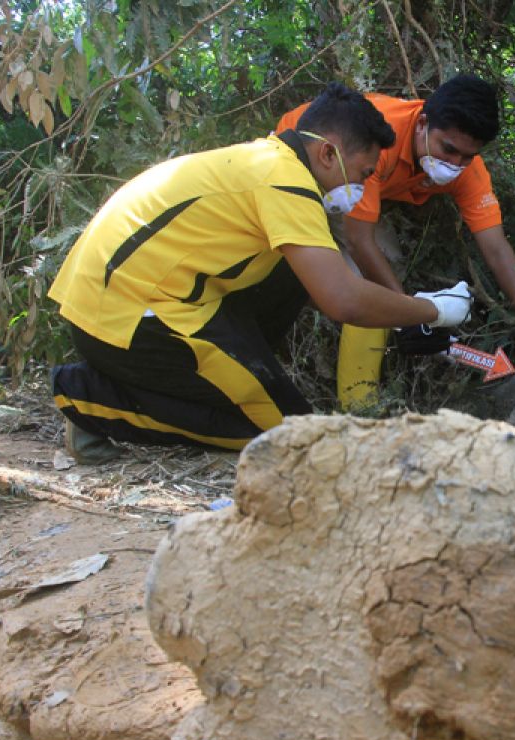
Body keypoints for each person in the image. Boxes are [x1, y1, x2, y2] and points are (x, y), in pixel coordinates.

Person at [49, 83, 472, 464]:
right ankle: (87, 398)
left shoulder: (268, 160)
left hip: (126, 300)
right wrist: (430, 310)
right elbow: (343, 299)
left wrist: (402, 314)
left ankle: (242, 376)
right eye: (363, 173)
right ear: (328, 153)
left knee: (293, 271)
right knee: (289, 441)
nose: (363, 186)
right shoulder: (283, 181)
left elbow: (329, 282)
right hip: (127, 319)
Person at [275, 74, 515, 404]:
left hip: (351, 188)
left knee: (385, 273)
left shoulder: (467, 168)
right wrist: (413, 315)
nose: (455, 165)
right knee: (365, 288)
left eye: (467, 157)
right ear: (422, 124)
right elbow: (359, 240)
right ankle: (359, 406)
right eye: (448, 149)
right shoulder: (376, 143)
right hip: (305, 168)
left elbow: (495, 247)